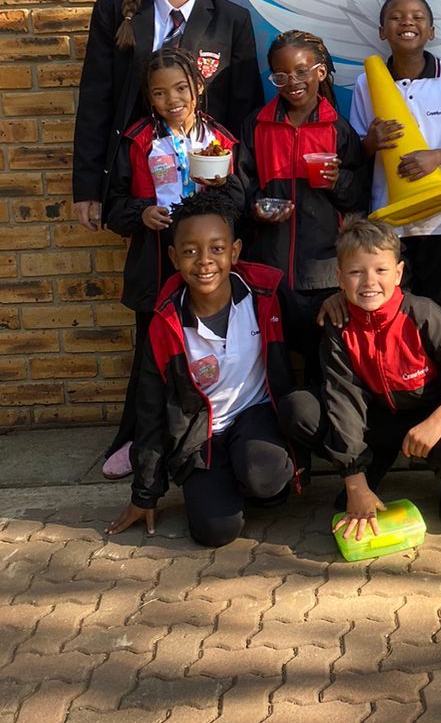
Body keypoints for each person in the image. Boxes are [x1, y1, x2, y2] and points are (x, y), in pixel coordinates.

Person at [71, 0, 262, 476]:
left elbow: (244, 110)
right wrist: (90, 187)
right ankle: (138, 434)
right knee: (153, 312)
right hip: (143, 186)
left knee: (207, 307)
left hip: (208, 192)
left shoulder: (230, 18)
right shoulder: (115, 14)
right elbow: (96, 100)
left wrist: (239, 188)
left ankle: (217, 425)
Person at [105, 191, 302, 548]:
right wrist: (144, 494)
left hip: (255, 416)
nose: (205, 261)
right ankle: (223, 482)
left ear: (235, 251)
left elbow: (312, 331)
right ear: (173, 257)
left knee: (266, 478)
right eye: (190, 251)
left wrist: (337, 305)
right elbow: (150, 411)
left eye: (217, 248)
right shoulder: (165, 323)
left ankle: (259, 482)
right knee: (215, 532)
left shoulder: (265, 292)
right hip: (202, 436)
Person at [277, 217, 441, 535]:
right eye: (356, 272)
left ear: (399, 273)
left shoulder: (424, 315)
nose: (369, 282)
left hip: (429, 417)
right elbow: (343, 398)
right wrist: (354, 481)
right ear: (339, 277)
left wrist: (438, 420)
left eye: (380, 270)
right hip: (375, 420)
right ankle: (369, 467)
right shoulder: (339, 325)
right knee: (299, 409)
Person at [100, 47, 242, 475]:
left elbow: (240, 202)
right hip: (156, 264)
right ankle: (137, 439)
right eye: (159, 93)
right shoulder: (138, 140)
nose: (172, 100)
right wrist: (142, 213)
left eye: (181, 88)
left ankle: (213, 432)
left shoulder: (220, 139)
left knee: (209, 351)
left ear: (198, 87)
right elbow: (114, 206)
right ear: (148, 96)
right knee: (151, 355)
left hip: (208, 269)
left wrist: (219, 186)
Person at [349, 0, 441, 325]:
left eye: (418, 17)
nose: (407, 22)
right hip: (390, 219)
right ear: (382, 31)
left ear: (431, 31)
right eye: (396, 17)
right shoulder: (365, 82)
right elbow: (359, 150)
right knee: (393, 311)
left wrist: (435, 157)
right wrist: (371, 142)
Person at [237, 30, 369, 340]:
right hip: (270, 268)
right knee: (274, 352)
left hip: (325, 273)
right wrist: (257, 208)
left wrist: (337, 182)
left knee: (323, 353)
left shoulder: (337, 128)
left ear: (320, 72)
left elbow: (359, 197)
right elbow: (240, 187)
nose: (292, 82)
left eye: (301, 71)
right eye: (281, 76)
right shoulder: (257, 125)